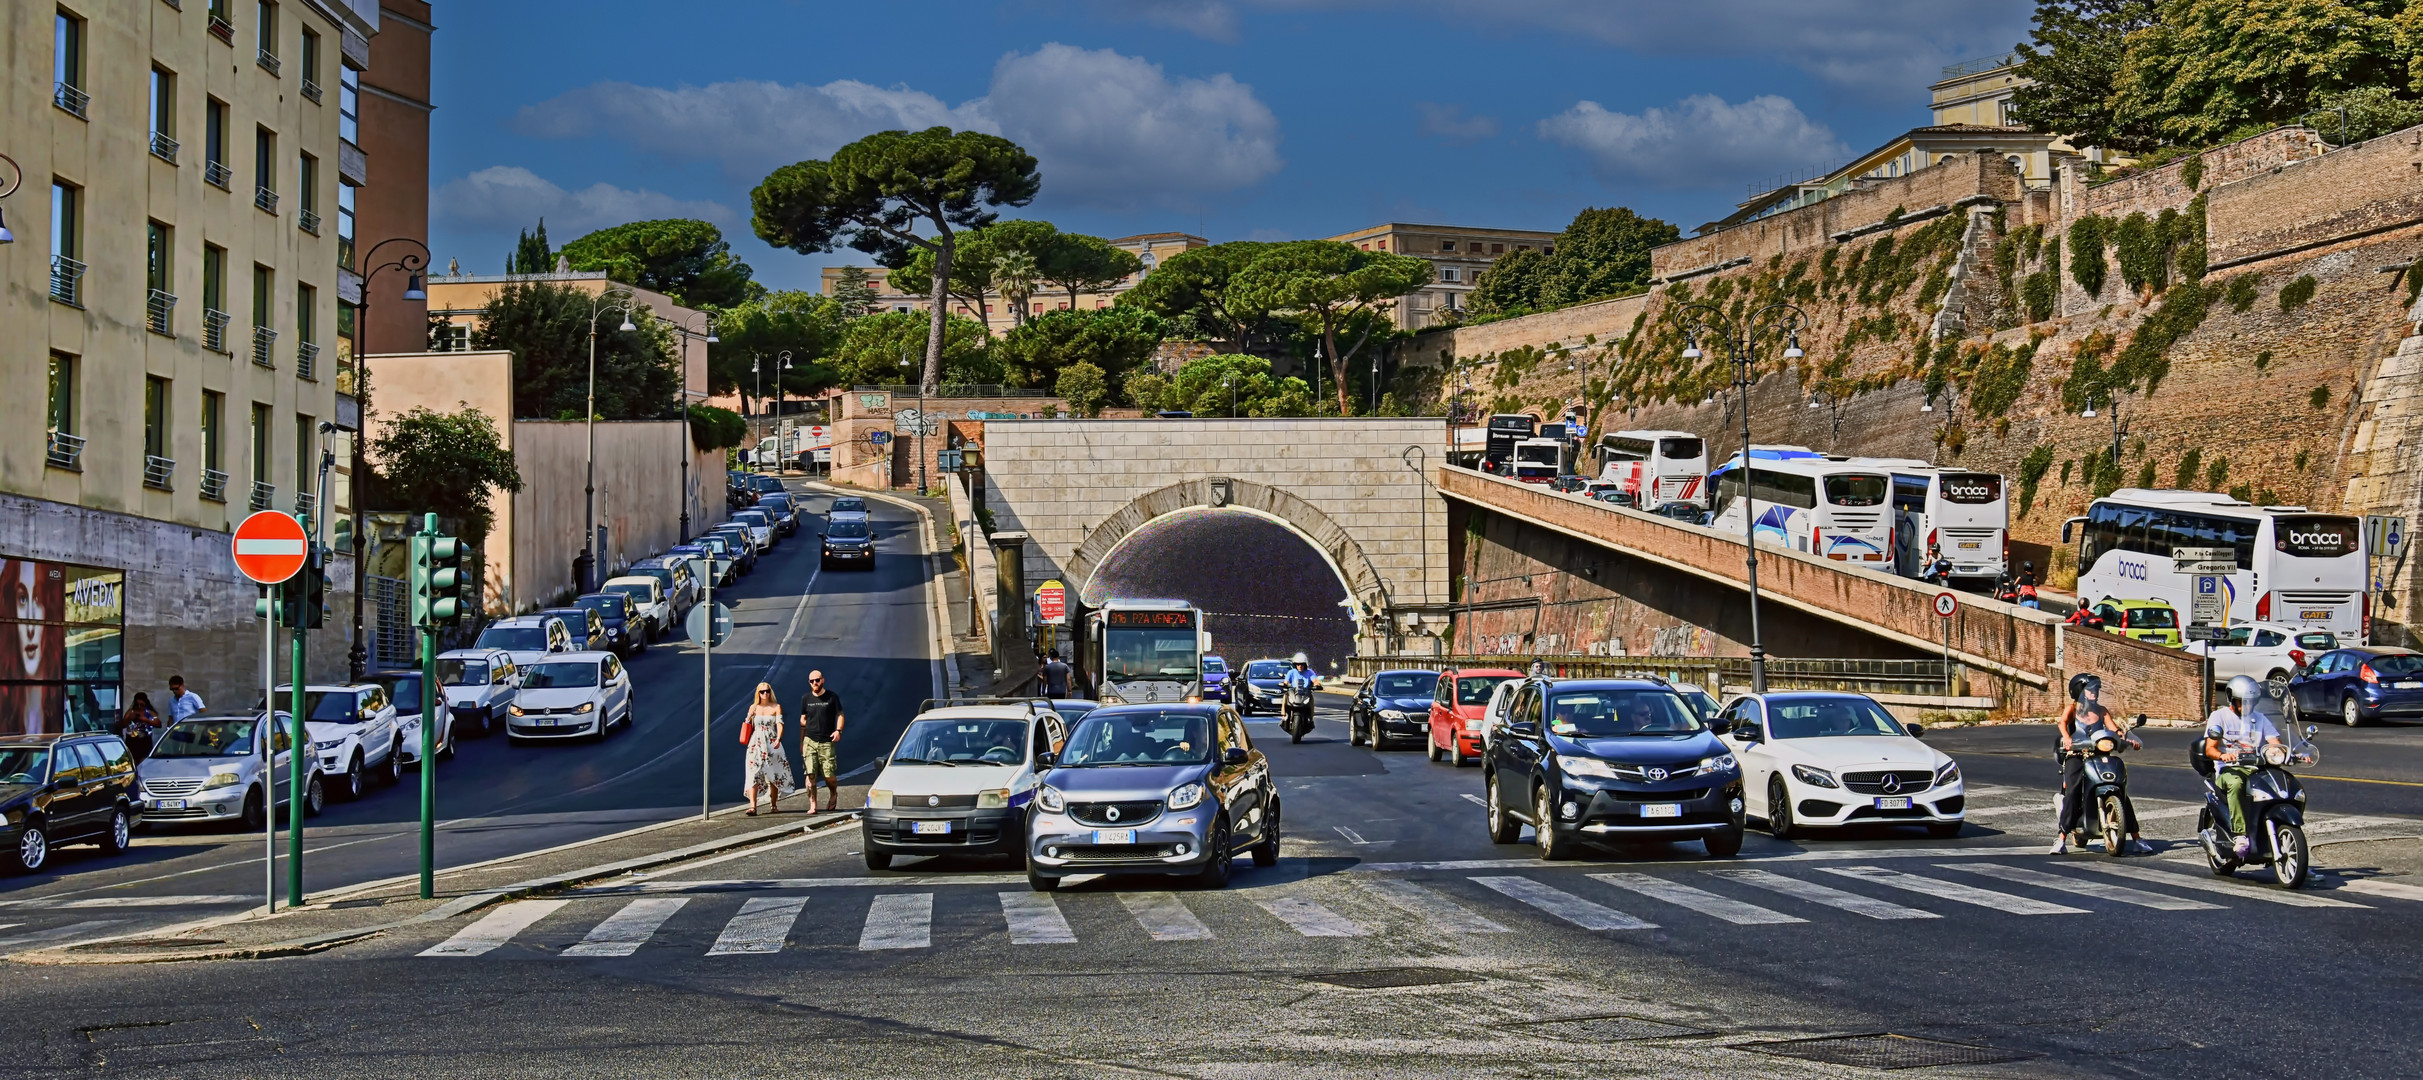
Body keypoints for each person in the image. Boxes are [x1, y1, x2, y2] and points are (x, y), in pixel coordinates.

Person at [2050, 674, 2146, 854]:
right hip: (2077, 755)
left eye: (2096, 689)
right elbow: (2062, 724)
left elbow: (2114, 729)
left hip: (2099, 754)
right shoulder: (2072, 710)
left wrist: (2127, 739)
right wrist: (2067, 738)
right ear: (2080, 692)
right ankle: (2061, 838)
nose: (2094, 693)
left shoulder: (2102, 711)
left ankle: (2137, 838)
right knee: (2074, 790)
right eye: (2090, 690)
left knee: (2120, 791)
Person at [2204, 675, 2286, 860]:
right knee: (2236, 783)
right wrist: (2223, 755)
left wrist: (2284, 752)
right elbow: (2210, 748)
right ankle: (2240, 835)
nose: (2246, 707)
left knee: (2282, 784)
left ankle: (2281, 830)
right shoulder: (2220, 716)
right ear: (2232, 699)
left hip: (2257, 768)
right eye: (2242, 702)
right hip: (2229, 769)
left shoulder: (2260, 718)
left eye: (2250, 702)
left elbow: (2275, 742)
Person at [740, 683, 793, 816]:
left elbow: (779, 724)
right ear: (758, 693)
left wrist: (778, 738)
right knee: (753, 773)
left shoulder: (776, 707)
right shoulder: (753, 707)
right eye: (762, 692)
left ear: (770, 692)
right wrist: (749, 716)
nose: (765, 694)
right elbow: (747, 724)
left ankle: (773, 804)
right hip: (755, 743)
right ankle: (753, 807)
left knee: (773, 773)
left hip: (771, 741)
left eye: (767, 691)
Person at [797, 669, 846, 812]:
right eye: (811, 681)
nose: (814, 683)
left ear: (822, 680)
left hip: (826, 741)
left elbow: (840, 715)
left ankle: (833, 793)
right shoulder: (806, 699)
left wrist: (838, 731)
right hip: (809, 740)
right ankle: (813, 804)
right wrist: (801, 742)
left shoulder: (832, 697)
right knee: (810, 774)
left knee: (828, 774)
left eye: (817, 680)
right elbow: (803, 720)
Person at [117, 692, 161, 763]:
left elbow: (158, 724)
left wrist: (146, 720)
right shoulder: (131, 711)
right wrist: (130, 718)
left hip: (145, 741)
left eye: (141, 705)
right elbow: (122, 725)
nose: (139, 707)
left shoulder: (149, 712)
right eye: (137, 705)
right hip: (132, 741)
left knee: (143, 761)